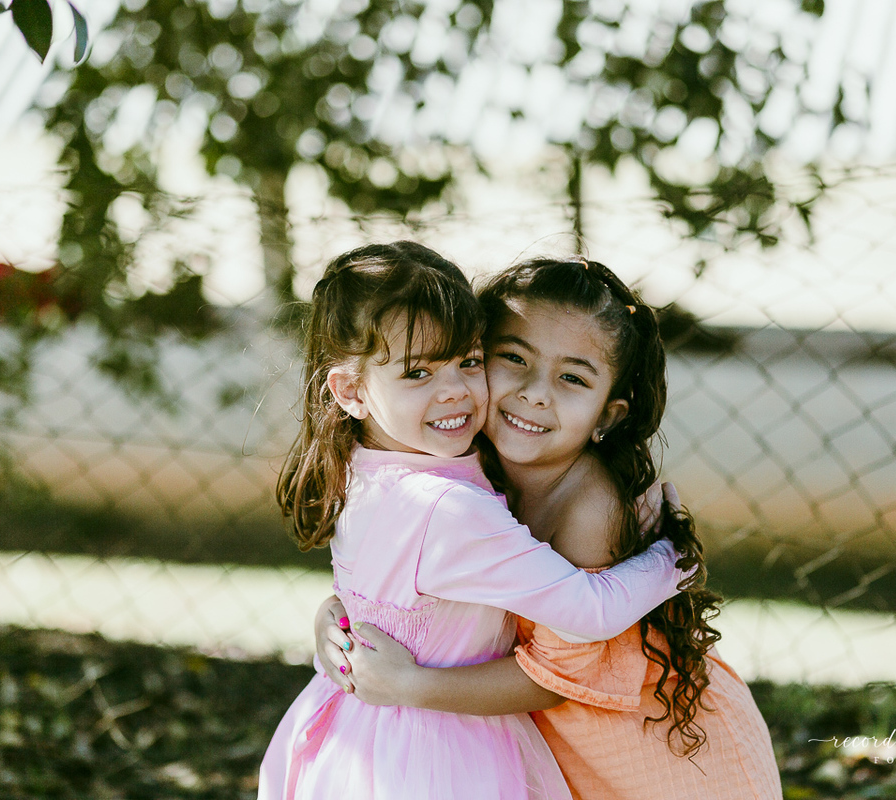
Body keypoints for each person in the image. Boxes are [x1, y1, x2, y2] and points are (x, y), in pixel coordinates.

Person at [318, 257, 783, 800]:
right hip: (551, 753)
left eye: (571, 378)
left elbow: (553, 678)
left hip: (667, 760)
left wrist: (409, 686)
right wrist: (338, 617)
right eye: (512, 358)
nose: (536, 393)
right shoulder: (461, 466)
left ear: (606, 416)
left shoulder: (588, 509)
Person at [257, 243, 692, 800]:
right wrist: (673, 555)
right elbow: (590, 612)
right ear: (351, 390)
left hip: (358, 729)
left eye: (468, 360)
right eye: (418, 372)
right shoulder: (446, 509)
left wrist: (333, 625)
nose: (456, 390)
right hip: (433, 753)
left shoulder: (365, 468)